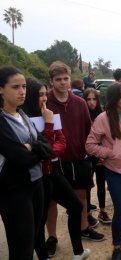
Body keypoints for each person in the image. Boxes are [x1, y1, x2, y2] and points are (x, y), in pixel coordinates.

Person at [22, 77, 90, 260]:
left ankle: (78, 251)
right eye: (40, 95)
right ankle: (44, 255)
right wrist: (49, 127)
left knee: (76, 206)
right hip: (38, 177)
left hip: (53, 171)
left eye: (45, 94)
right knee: (39, 220)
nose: (44, 98)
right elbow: (44, 146)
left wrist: (48, 150)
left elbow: (62, 142)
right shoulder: (25, 119)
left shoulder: (49, 114)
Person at [46, 61, 104, 256]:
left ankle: (84, 227)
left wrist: (91, 152)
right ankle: (52, 236)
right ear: (51, 81)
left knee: (82, 196)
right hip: (55, 161)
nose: (63, 83)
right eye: (58, 79)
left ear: (70, 79)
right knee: (51, 201)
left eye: (66, 78)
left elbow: (89, 129)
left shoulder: (79, 102)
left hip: (79, 158)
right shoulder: (44, 102)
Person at [0, 66, 52, 260]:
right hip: (14, 190)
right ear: (1, 89)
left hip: (35, 183)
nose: (22, 91)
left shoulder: (22, 115)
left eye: (23, 86)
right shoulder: (1, 120)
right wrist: (35, 148)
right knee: (21, 247)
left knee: (31, 240)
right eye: (15, 87)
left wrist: (32, 147)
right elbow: (20, 158)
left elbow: (47, 147)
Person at [86, 83, 121, 260]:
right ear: (113, 99)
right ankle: (116, 246)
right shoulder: (103, 118)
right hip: (114, 168)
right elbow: (90, 145)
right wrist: (109, 153)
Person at [83, 88, 112, 224]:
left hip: (100, 154)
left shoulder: (102, 114)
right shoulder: (82, 114)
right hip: (87, 155)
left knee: (101, 182)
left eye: (94, 99)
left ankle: (102, 210)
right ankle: (87, 213)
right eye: (88, 99)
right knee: (87, 185)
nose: (91, 102)